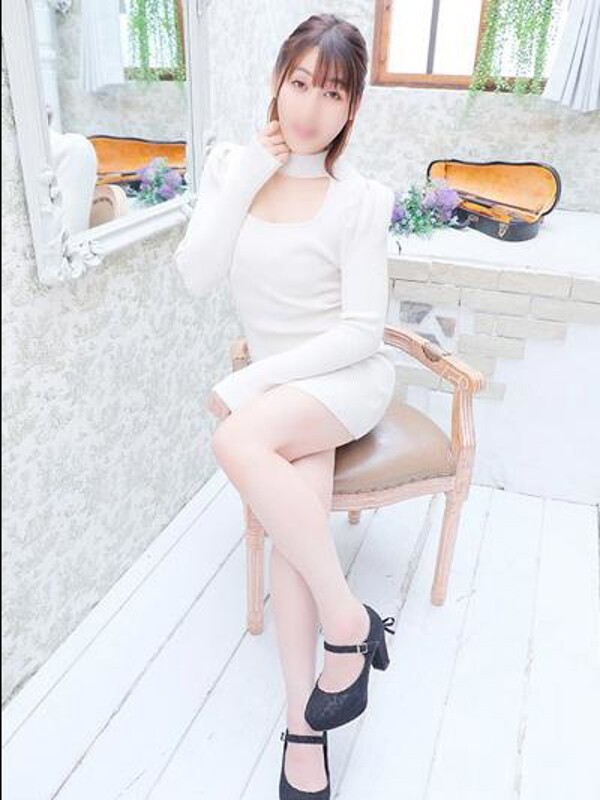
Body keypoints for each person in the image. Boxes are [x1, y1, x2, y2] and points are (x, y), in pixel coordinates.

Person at [174, 13, 397, 799]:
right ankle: (308, 723)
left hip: (346, 381)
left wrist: (251, 386)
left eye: (331, 93)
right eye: (299, 82)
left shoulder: (360, 199)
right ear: (277, 80)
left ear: (352, 107)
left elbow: (362, 331)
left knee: (235, 441)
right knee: (298, 528)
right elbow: (196, 274)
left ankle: (348, 624)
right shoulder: (232, 169)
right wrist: (243, 181)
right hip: (284, 392)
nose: (308, 106)